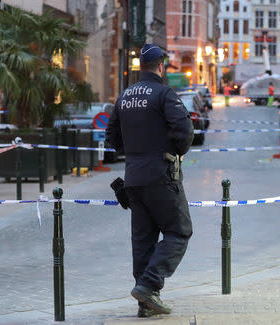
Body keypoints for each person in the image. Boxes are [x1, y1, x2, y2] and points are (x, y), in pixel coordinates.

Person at [106, 44, 194, 317]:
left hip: (133, 178)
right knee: (179, 231)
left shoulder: (124, 96)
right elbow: (185, 130)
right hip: (161, 175)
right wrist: (175, 151)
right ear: (161, 66)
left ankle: (145, 304)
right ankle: (149, 285)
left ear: (140, 66)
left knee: (143, 241)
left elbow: (111, 138)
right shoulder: (164, 94)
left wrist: (133, 156)